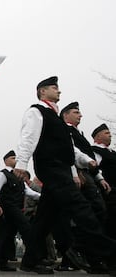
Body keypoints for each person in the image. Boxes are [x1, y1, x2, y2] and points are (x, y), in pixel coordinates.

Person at [13, 76, 116, 274]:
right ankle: (107, 253)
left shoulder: (57, 118)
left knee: (44, 218)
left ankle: (30, 260)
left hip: (61, 168)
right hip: (50, 168)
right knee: (81, 207)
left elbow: (69, 147)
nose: (59, 91)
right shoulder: (36, 111)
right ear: (42, 91)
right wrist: (22, 163)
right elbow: (28, 138)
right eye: (54, 88)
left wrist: (85, 160)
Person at [59, 102, 109, 273]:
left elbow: (89, 158)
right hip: (79, 174)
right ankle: (78, 249)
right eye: (76, 112)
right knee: (93, 212)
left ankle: (90, 256)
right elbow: (70, 153)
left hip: (88, 173)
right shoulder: (65, 130)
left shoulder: (80, 134)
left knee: (94, 215)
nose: (80, 115)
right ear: (66, 115)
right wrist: (75, 172)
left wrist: (99, 177)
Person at [0, 150, 40, 271]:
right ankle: (32, 260)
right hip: (6, 209)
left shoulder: (19, 176)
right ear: (6, 160)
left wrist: (42, 196)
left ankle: (4, 263)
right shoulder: (2, 174)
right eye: (13, 158)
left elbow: (28, 192)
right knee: (23, 230)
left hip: (16, 209)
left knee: (8, 235)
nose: (15, 160)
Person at [92, 123, 116, 240]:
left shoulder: (112, 152)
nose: (110, 136)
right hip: (109, 192)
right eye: (106, 133)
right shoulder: (96, 151)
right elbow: (95, 169)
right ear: (97, 137)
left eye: (110, 133)